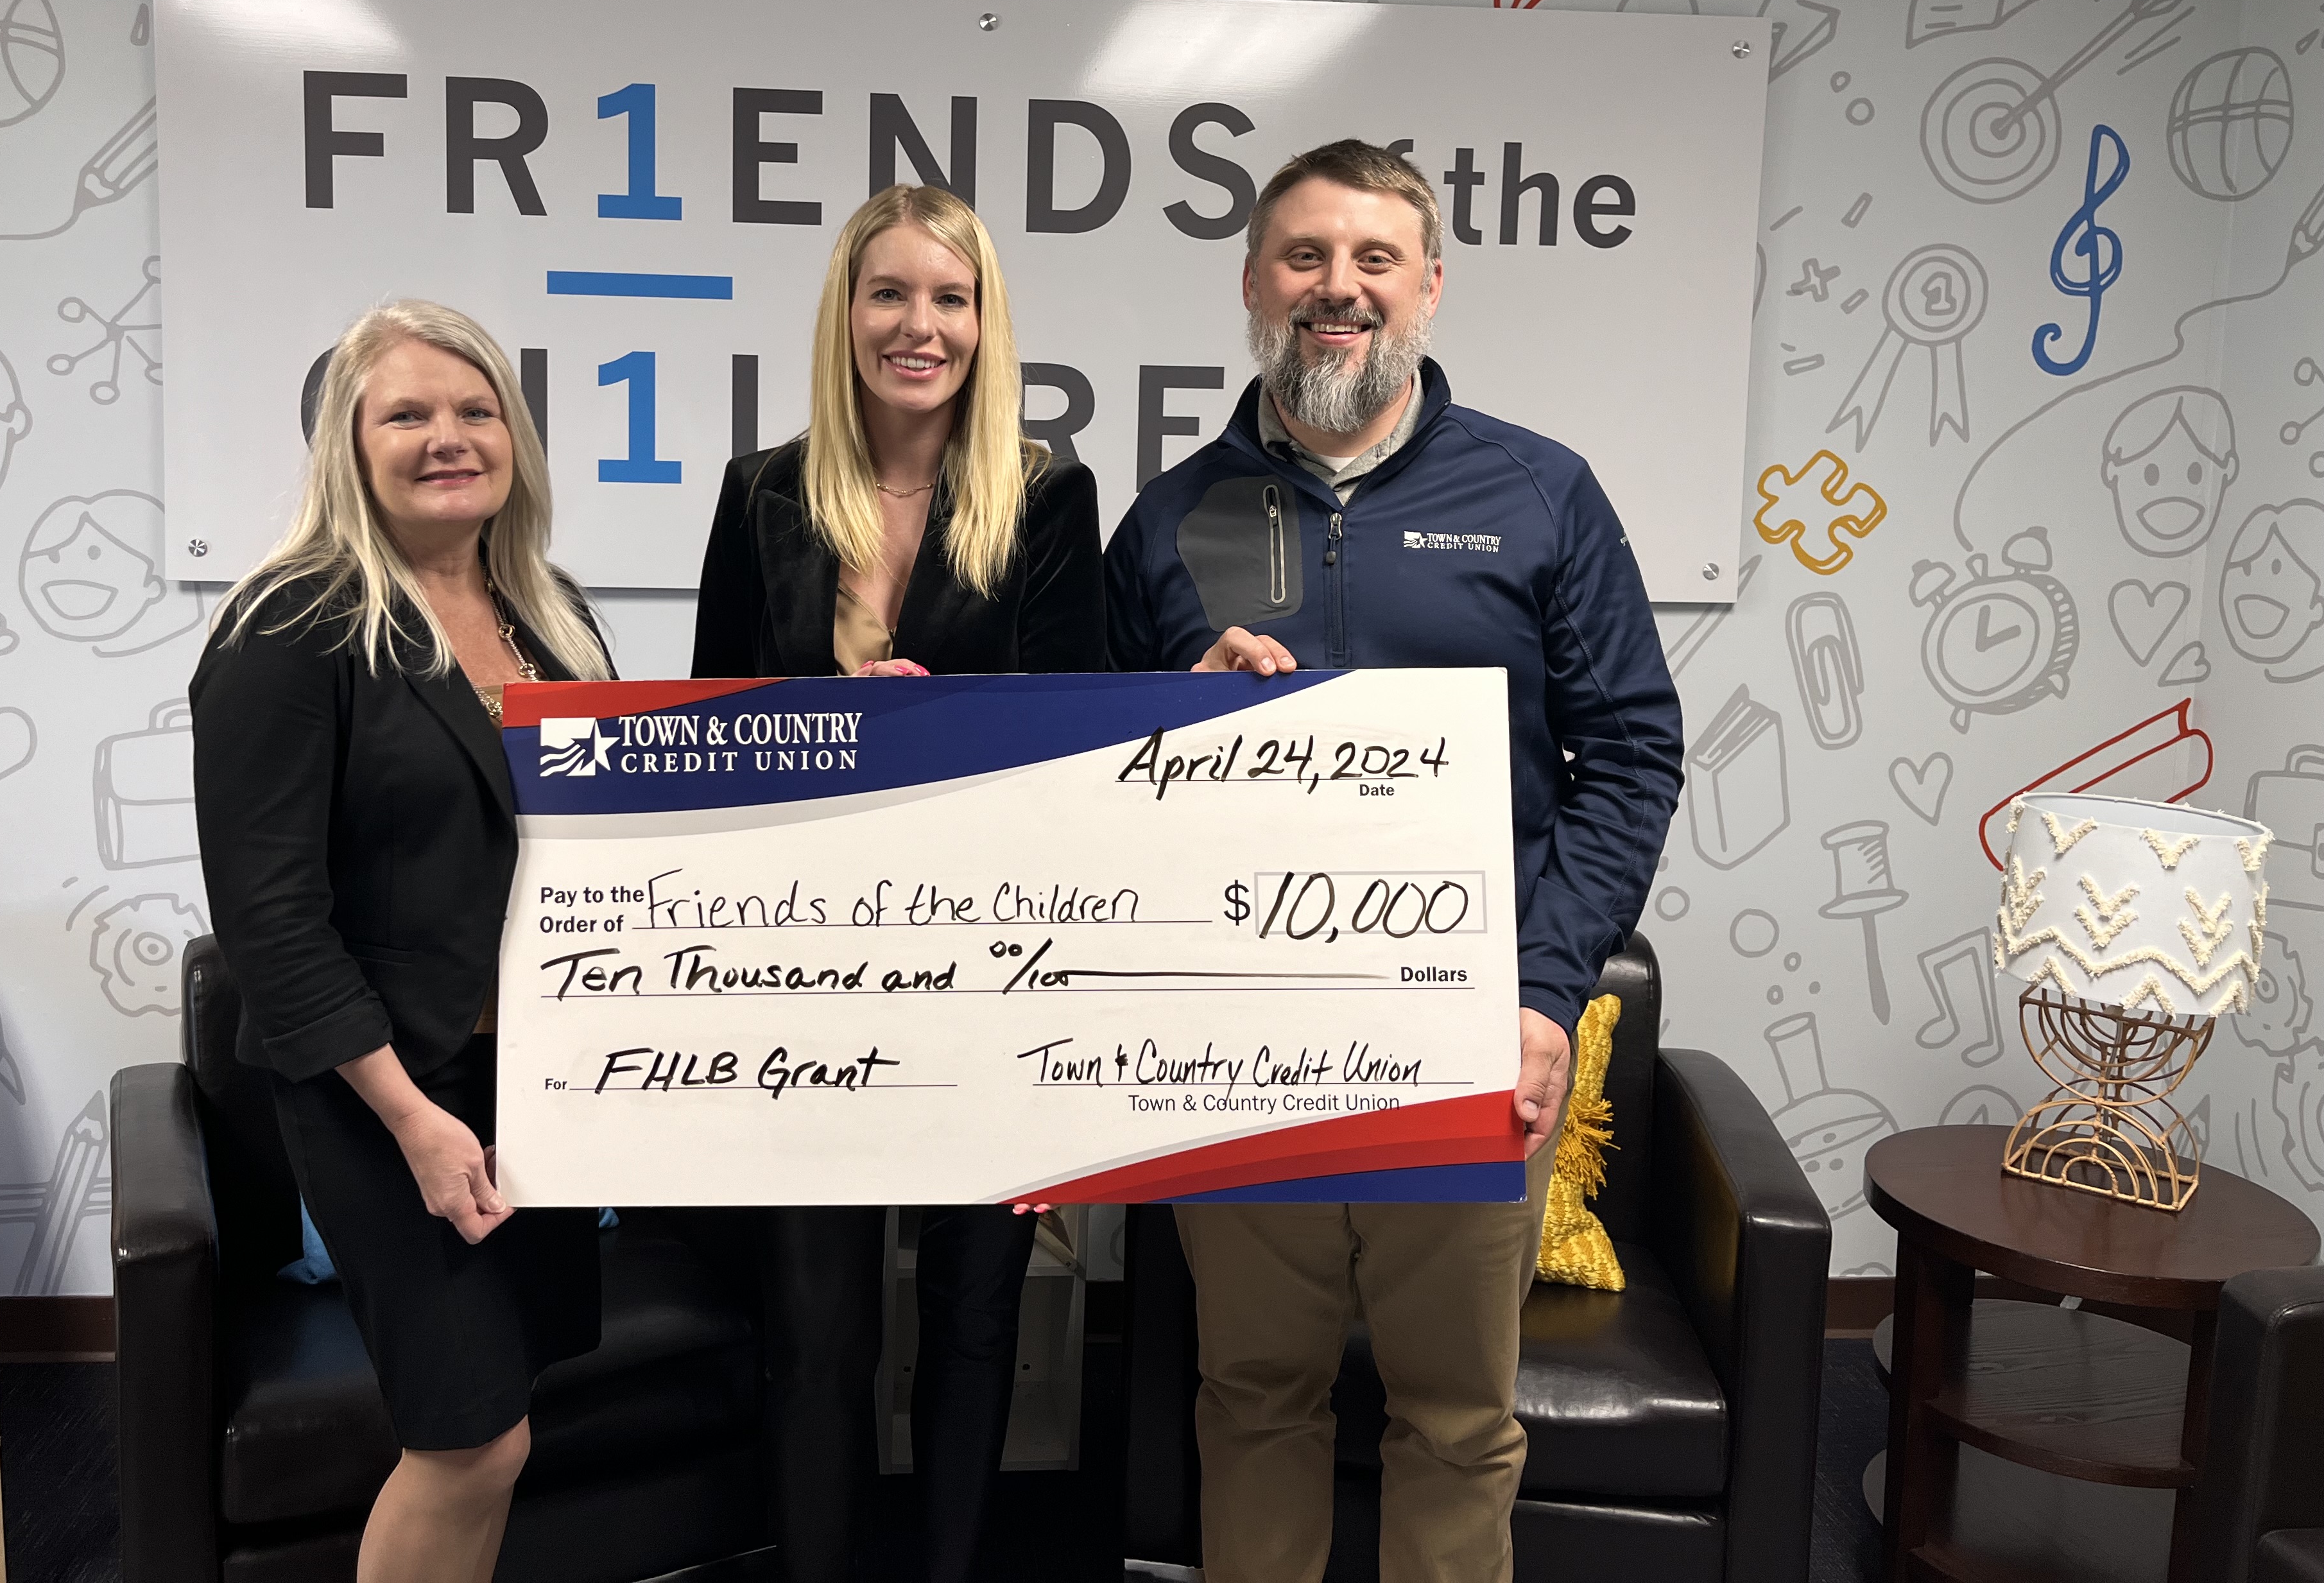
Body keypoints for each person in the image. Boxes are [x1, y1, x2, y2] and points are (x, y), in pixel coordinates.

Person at [1104, 141, 1683, 1583]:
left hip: (1470, 1033)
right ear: (1253, 283)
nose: (1336, 288)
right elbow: (1095, 786)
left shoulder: (1545, 494)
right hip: (1238, 1042)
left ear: (1429, 285)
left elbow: (1629, 755)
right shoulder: (1166, 523)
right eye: (1304, 257)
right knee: (1252, 1400)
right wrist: (1181, 698)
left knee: (1456, 1419)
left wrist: (1547, 994)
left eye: (1372, 260)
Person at [691, 184, 1106, 1582]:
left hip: (991, 977)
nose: (918, 325)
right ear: (845, 313)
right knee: (815, 1327)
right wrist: (830, 716)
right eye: (891, 294)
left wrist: (938, 733)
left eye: (950, 297)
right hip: (802, 971)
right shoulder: (759, 493)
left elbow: (1072, 750)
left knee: (979, 1311)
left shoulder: (1049, 495)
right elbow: (709, 738)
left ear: (985, 324)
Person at [191, 299, 617, 1583]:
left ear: (515, 439)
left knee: (507, 1421)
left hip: (528, 1082)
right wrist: (413, 1121)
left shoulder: (548, 611)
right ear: (349, 445)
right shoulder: (291, 624)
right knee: (467, 1441)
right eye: (409, 414)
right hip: (386, 1094)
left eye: (477, 410)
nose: (450, 437)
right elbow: (270, 919)